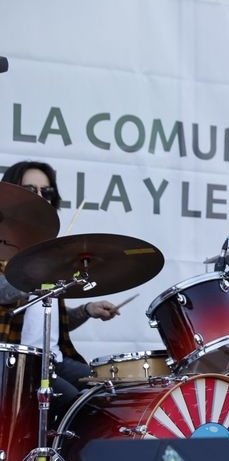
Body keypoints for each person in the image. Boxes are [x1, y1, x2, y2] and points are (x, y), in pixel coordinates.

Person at [0, 160, 119, 422]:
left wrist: (86, 310)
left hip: (54, 359)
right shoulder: (4, 245)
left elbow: (47, 323)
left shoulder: (47, 250)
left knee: (109, 391)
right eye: (30, 190)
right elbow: (3, 293)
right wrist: (39, 271)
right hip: (15, 363)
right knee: (74, 404)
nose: (40, 196)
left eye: (46, 191)